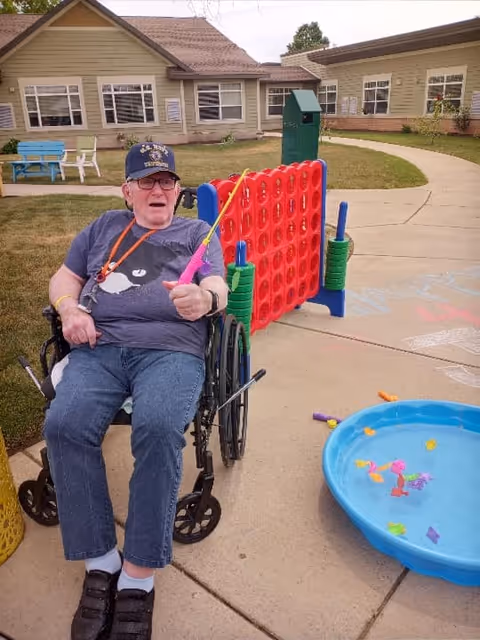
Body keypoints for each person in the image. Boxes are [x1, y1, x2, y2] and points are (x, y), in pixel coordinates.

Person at [43, 142, 228, 640]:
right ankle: (101, 562)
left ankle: (139, 577)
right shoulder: (102, 228)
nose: (157, 190)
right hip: (99, 347)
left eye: (166, 181)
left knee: (159, 425)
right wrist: (70, 310)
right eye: (145, 181)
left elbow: (219, 286)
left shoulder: (197, 233)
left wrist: (204, 297)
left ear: (178, 191)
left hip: (171, 350)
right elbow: (64, 278)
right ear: (127, 191)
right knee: (63, 425)